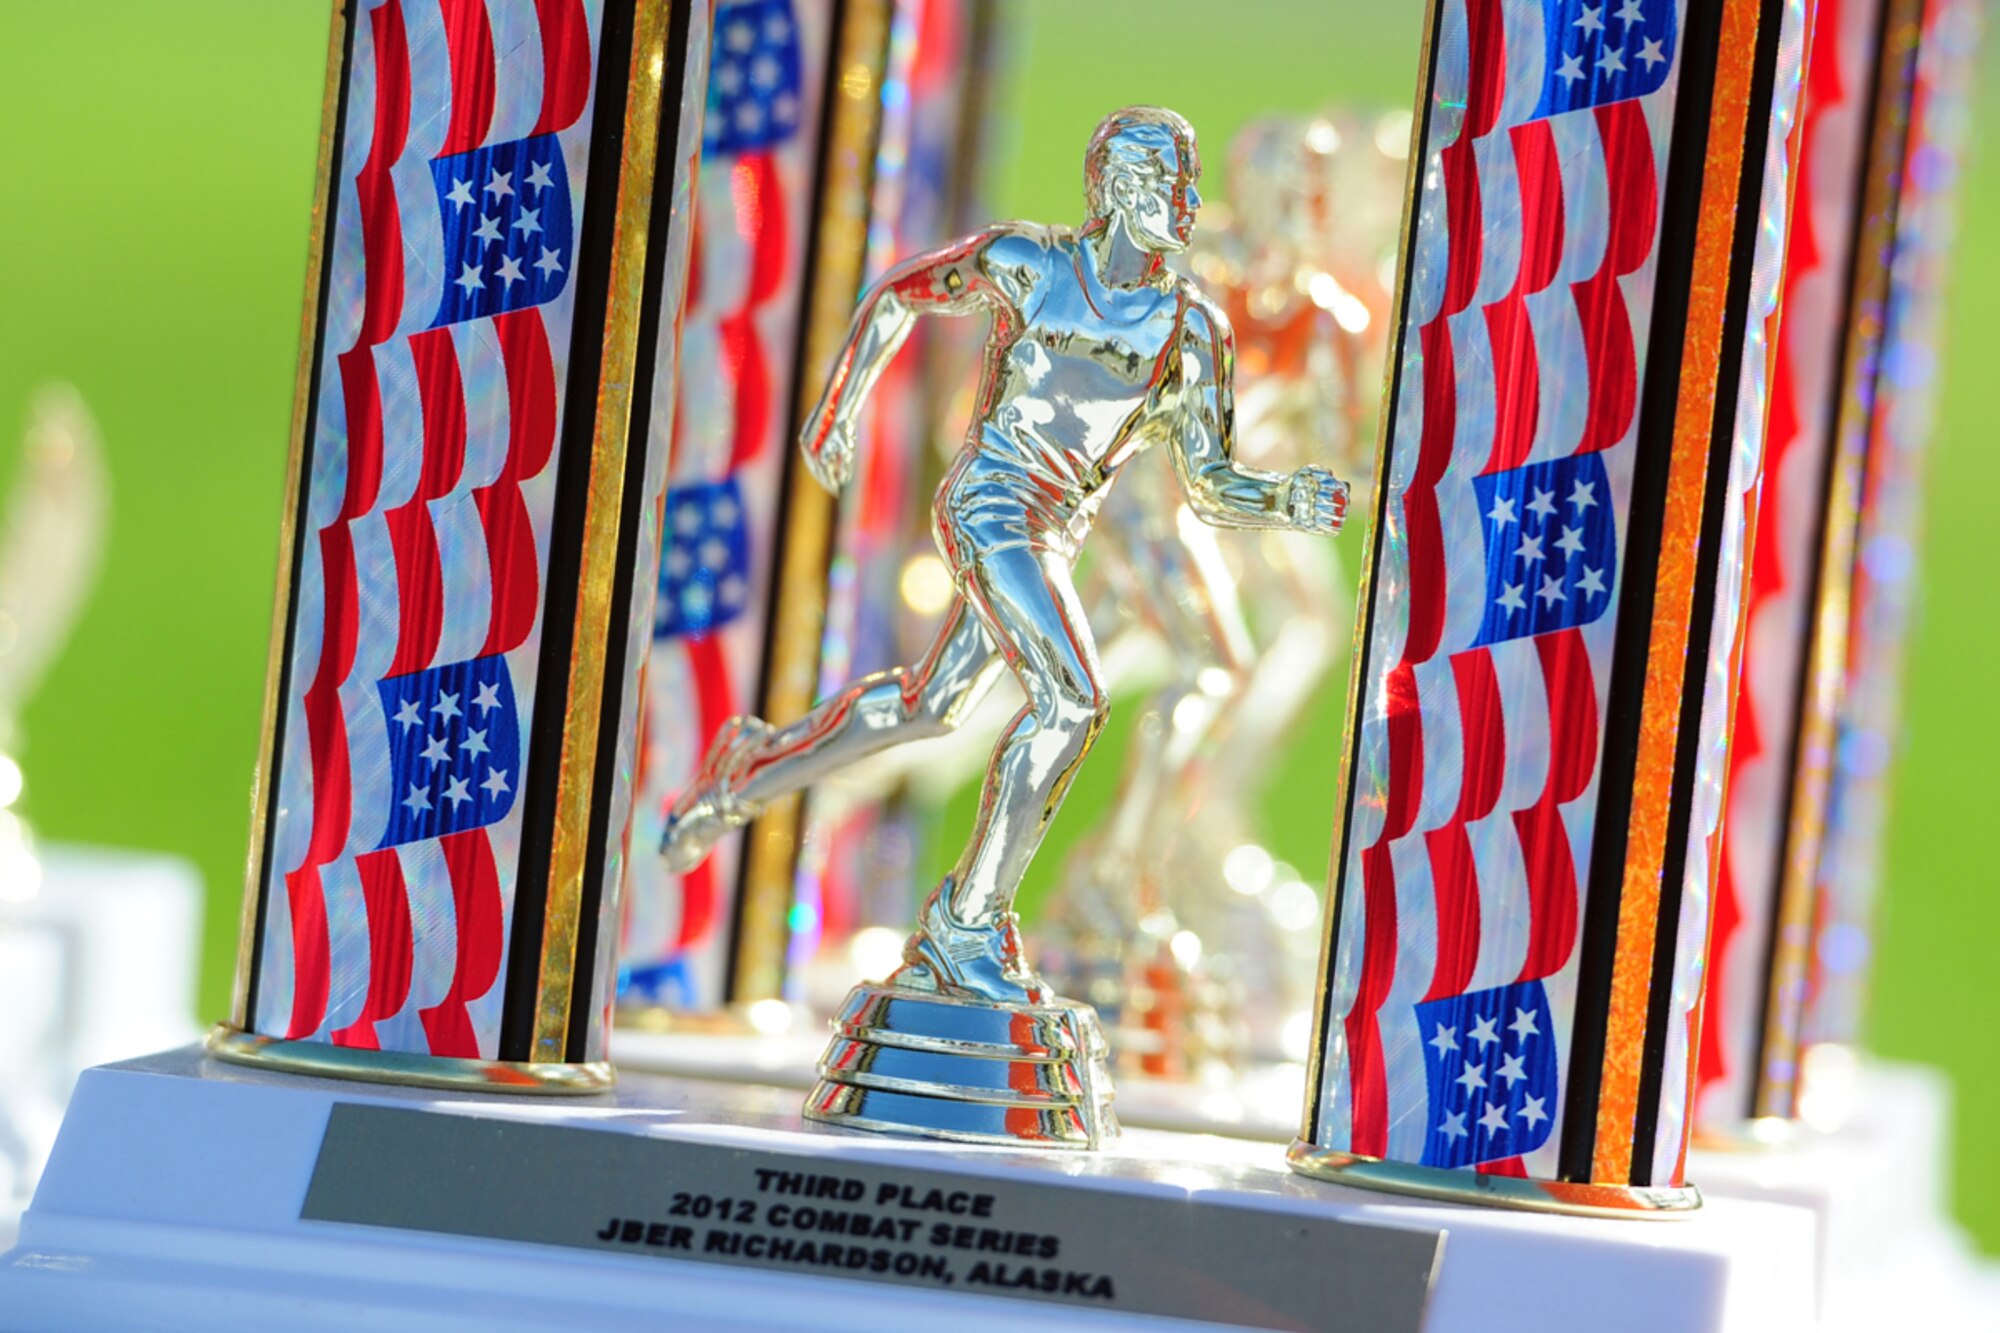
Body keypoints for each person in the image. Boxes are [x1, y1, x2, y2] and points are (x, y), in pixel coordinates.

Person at [661, 106, 1349, 1007]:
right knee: (1071, 700)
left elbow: (1212, 483)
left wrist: (1285, 500)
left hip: (1056, 529)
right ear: (1111, 188)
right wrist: (838, 410)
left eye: (1186, 181)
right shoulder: (1032, 263)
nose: (1183, 202)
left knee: (931, 706)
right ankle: (966, 926)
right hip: (990, 504)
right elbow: (902, 292)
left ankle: (747, 769)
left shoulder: (1192, 331)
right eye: (1159, 182)